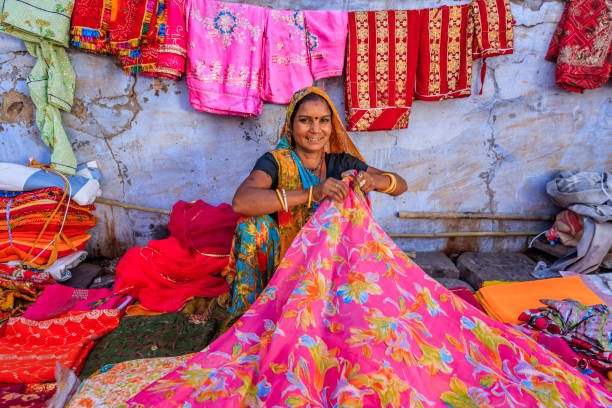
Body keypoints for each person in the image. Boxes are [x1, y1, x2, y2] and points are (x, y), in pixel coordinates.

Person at [223, 87, 407, 326]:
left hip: (331, 263)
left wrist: (376, 181)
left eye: (323, 121)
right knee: (253, 227)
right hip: (284, 263)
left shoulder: (341, 162)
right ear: (291, 125)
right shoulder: (276, 161)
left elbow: (400, 185)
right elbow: (241, 202)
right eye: (305, 120)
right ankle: (253, 315)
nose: (315, 129)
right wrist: (313, 193)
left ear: (332, 126)